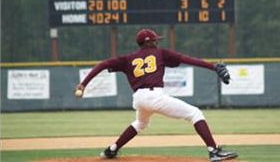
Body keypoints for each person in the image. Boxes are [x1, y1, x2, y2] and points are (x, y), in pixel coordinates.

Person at [75, 28, 238, 162]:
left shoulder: (128, 59)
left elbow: (103, 65)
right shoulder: (160, 53)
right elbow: (188, 59)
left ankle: (111, 150)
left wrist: (83, 84)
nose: (157, 41)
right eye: (155, 39)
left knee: (140, 123)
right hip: (154, 96)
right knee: (195, 113)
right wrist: (214, 67)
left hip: (139, 98)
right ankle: (213, 151)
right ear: (149, 42)